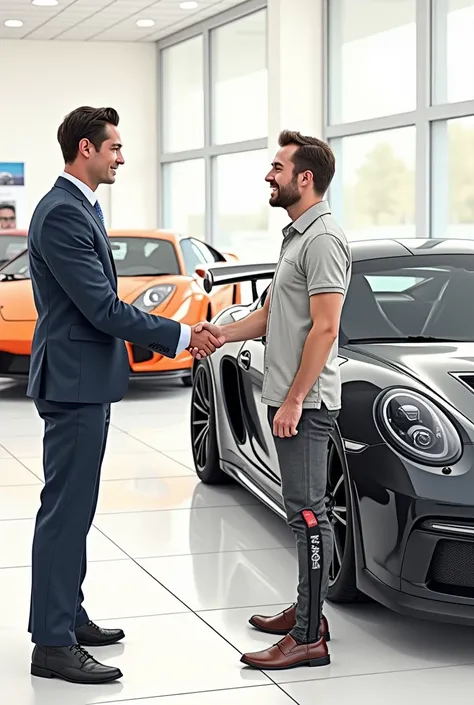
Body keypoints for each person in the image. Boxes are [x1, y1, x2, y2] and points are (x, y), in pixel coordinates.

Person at [27, 106, 222, 685]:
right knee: (65, 513)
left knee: (76, 508)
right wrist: (184, 335)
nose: (121, 157)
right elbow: (102, 308)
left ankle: (67, 614)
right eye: (114, 147)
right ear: (85, 148)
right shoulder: (62, 213)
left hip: (83, 377)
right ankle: (53, 643)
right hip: (73, 380)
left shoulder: (78, 207)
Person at [193, 130, 352, 670]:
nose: (269, 175)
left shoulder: (324, 239)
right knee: (301, 512)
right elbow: (269, 316)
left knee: (309, 516)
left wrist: (295, 399)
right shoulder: (297, 238)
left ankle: (308, 637)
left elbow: (325, 329)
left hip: (304, 405)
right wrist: (219, 331)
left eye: (278, 167)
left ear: (304, 178)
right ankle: (309, 612)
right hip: (289, 397)